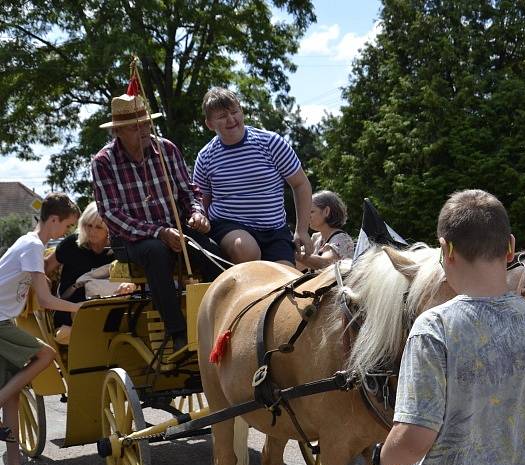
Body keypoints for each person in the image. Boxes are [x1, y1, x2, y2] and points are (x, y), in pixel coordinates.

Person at [370, 190, 525, 465]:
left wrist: (383, 463)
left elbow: (415, 434)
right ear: (510, 247)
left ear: (446, 250)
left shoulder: (435, 328)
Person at [92, 93, 221, 352]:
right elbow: (112, 215)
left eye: (146, 124)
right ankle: (178, 333)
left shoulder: (167, 149)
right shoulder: (103, 162)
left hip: (175, 227)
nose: (143, 130)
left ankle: (223, 319)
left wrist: (197, 213)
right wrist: (158, 232)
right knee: (156, 251)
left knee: (211, 251)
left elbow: (188, 192)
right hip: (131, 239)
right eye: (134, 126)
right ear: (118, 131)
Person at [0, 193, 82, 465]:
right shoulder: (34, 245)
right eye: (68, 226)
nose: (67, 233)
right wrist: (79, 308)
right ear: (53, 220)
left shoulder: (28, 243)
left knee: (13, 395)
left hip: (3, 320)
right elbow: (47, 301)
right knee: (46, 355)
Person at [193, 87, 313, 266]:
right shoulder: (206, 156)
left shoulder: (271, 143)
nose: (231, 119)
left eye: (235, 112)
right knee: (244, 248)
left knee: (287, 280)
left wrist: (302, 230)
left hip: (274, 230)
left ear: (242, 112)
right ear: (210, 124)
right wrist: (199, 221)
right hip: (229, 226)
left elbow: (301, 184)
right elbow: (202, 200)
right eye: (222, 116)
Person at [45, 202, 134, 335]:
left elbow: (135, 277)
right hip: (70, 310)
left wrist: (129, 285)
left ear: (109, 229)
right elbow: (45, 267)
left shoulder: (120, 250)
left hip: (110, 310)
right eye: (88, 225)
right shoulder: (71, 244)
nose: (92, 232)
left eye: (98, 227)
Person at [295, 190, 354, 270]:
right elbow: (296, 265)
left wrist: (294, 254)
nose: (307, 216)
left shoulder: (341, 239)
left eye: (311, 211)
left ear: (326, 211)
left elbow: (325, 263)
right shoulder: (316, 238)